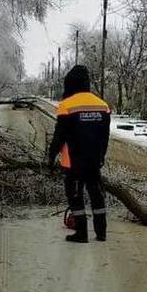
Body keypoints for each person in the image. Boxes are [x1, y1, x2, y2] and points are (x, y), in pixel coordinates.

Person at [48, 65, 111, 243]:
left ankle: (81, 233)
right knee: (96, 195)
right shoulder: (103, 106)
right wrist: (101, 157)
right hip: (94, 161)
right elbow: (105, 137)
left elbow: (59, 136)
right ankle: (101, 233)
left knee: (75, 196)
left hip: (73, 163)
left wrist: (51, 156)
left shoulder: (66, 106)